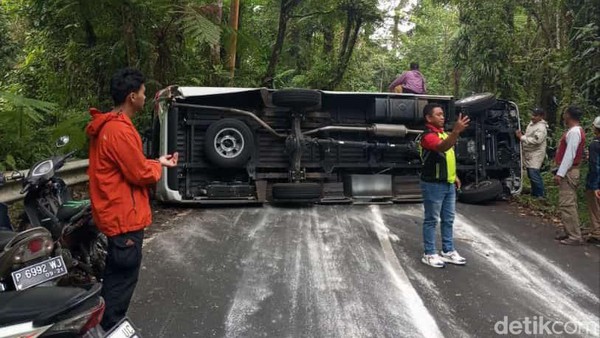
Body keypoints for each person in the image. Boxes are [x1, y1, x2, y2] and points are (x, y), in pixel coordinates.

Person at [86, 68, 179, 330]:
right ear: (131, 97)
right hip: (124, 217)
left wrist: (156, 161)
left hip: (116, 213)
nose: (144, 96)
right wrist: (157, 169)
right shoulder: (119, 131)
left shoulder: (110, 125)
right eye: (142, 93)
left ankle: (102, 324)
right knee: (122, 279)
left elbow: (129, 165)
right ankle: (110, 328)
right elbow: (139, 173)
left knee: (115, 275)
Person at [419, 103, 470, 267]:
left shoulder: (443, 134)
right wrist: (456, 132)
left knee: (448, 219)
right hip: (433, 184)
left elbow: (447, 157)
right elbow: (442, 147)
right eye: (438, 114)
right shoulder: (428, 136)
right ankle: (429, 253)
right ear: (429, 118)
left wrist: (454, 176)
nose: (443, 117)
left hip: (448, 183)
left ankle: (447, 251)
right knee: (432, 219)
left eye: (443, 114)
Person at [553, 106, 585, 245]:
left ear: (569, 115)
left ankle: (574, 236)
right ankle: (570, 231)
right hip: (570, 170)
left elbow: (569, 155)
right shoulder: (576, 131)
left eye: (565, 114)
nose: (563, 116)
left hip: (569, 171)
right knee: (569, 202)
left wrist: (560, 173)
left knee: (567, 203)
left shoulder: (574, 132)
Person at [516, 107, 548, 199]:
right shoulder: (532, 123)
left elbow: (536, 141)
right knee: (530, 173)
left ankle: (540, 195)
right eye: (532, 114)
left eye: (535, 115)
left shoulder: (541, 128)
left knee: (534, 172)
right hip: (529, 151)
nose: (532, 117)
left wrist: (522, 137)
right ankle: (534, 193)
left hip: (536, 153)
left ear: (541, 117)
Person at [585, 116, 600, 245]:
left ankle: (596, 233)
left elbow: (595, 166)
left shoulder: (595, 144)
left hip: (596, 182)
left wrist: (595, 186)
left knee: (595, 208)